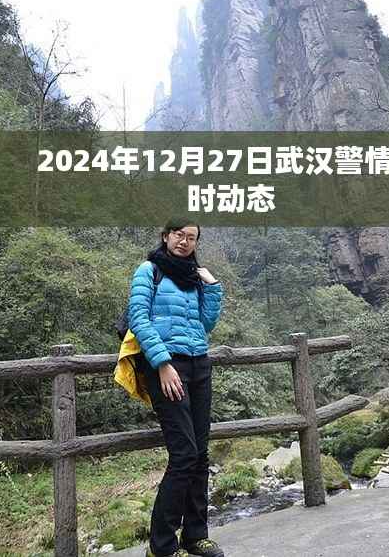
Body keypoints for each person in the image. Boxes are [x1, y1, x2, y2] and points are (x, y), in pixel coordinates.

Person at [128, 219, 224, 557]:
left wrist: (213, 287)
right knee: (184, 454)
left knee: (200, 454)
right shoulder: (149, 270)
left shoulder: (193, 276)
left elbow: (205, 323)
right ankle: (162, 546)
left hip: (199, 364)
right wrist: (163, 363)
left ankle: (195, 536)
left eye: (191, 237)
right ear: (166, 236)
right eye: (179, 235)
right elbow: (138, 318)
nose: (184, 241)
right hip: (167, 366)